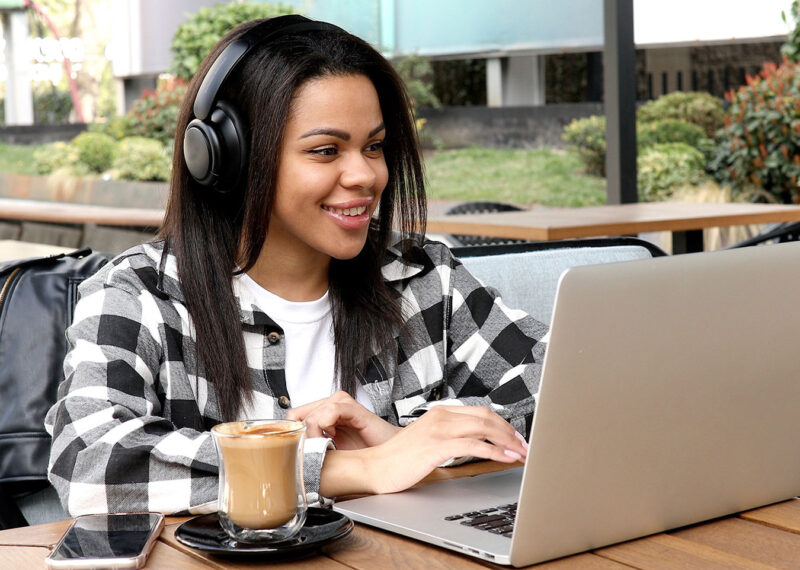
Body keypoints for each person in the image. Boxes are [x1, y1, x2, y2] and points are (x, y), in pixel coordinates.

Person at [45, 15, 548, 517]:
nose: (365, 175)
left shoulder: (423, 276)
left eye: (374, 146)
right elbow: (90, 462)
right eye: (326, 151)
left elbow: (566, 385)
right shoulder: (140, 292)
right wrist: (360, 468)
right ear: (232, 159)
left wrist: (412, 440)